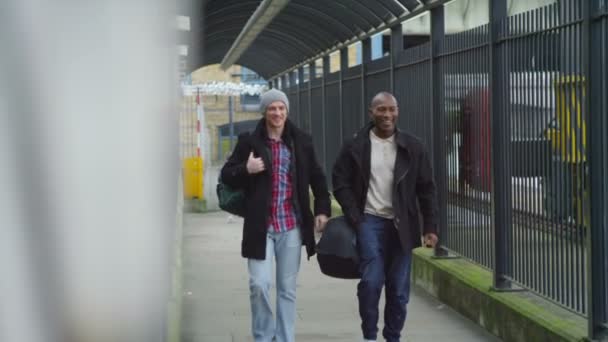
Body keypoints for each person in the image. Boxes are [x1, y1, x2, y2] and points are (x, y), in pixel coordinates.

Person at [220, 88, 331, 342]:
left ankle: (284, 338)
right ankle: (262, 336)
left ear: (287, 111)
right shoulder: (249, 140)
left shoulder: (301, 141)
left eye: (281, 108)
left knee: (287, 290)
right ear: (265, 111)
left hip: (291, 225)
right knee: (258, 284)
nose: (277, 113)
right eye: (272, 108)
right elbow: (227, 174)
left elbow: (317, 177)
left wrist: (323, 209)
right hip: (260, 226)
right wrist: (246, 169)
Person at [332, 91, 439, 342]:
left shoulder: (413, 147)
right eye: (381, 109)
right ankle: (370, 336)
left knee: (399, 289)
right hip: (368, 220)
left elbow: (427, 189)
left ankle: (393, 337)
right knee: (371, 282)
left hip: (403, 224)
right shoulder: (355, 144)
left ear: (397, 111)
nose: (387, 115)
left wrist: (431, 226)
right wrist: (354, 216)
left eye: (392, 109)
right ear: (372, 112)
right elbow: (340, 181)